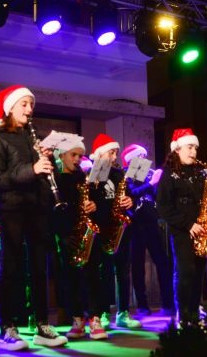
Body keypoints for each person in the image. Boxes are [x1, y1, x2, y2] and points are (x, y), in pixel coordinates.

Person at [0, 85, 68, 351]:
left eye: (31, 104)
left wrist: (47, 164)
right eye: (24, 104)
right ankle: (6, 327)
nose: (29, 109)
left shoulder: (34, 138)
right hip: (12, 210)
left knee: (38, 267)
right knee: (10, 267)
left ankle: (42, 324)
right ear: (10, 107)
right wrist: (32, 168)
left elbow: (39, 175)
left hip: (37, 209)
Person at [156, 128, 207, 323]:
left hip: (202, 230)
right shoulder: (168, 175)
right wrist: (188, 224)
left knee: (199, 274)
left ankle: (194, 312)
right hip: (182, 232)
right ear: (177, 149)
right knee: (186, 273)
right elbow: (163, 207)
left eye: (195, 148)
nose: (194, 152)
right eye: (190, 147)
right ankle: (183, 314)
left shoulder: (201, 173)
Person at [50, 138, 109, 340]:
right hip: (68, 235)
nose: (77, 159)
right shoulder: (55, 180)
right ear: (61, 155)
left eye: (79, 155)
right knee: (70, 279)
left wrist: (95, 205)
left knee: (92, 277)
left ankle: (95, 317)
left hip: (87, 235)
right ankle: (77, 318)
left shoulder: (85, 178)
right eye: (72, 155)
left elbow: (99, 203)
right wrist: (63, 234)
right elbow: (53, 211)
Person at [88, 134, 140, 329]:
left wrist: (129, 201)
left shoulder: (118, 174)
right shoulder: (92, 175)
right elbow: (93, 201)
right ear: (100, 154)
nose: (114, 157)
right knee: (105, 273)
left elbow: (128, 195)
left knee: (124, 272)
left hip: (121, 230)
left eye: (115, 153)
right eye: (111, 152)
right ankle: (102, 312)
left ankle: (123, 312)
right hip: (102, 230)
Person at [122, 144, 175, 316]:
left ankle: (168, 302)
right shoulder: (126, 176)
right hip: (135, 226)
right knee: (138, 266)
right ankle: (142, 305)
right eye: (140, 157)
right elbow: (131, 193)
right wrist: (151, 183)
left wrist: (159, 182)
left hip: (152, 224)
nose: (144, 160)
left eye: (145, 156)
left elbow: (157, 196)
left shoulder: (148, 175)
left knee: (163, 263)